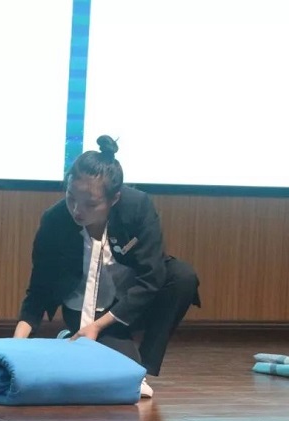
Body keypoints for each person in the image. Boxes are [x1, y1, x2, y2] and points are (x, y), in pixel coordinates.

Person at [14, 135, 200, 397]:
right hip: (84, 309)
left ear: (114, 199)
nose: (77, 210)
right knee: (103, 371)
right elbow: (39, 288)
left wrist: (98, 327)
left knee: (182, 276)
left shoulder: (137, 207)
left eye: (90, 204)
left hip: (130, 304)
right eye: (70, 197)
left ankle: (141, 367)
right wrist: (15, 346)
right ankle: (77, 338)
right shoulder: (54, 220)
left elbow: (152, 276)